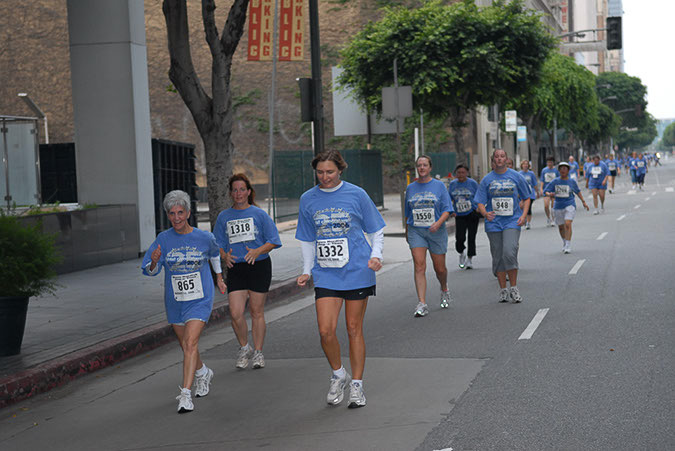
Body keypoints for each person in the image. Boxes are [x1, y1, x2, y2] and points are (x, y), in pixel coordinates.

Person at [296, 150, 385, 409]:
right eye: (320, 172)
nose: (325, 177)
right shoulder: (308, 199)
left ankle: (357, 385)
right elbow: (307, 238)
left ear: (341, 170)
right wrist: (306, 269)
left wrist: (376, 255)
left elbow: (376, 229)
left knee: (353, 328)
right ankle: (338, 374)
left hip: (357, 270)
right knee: (325, 330)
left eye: (330, 172)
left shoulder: (357, 194)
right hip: (326, 273)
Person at [142, 190, 226, 413]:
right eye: (172, 213)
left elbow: (215, 253)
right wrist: (154, 262)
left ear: (188, 213)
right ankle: (203, 372)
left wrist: (219, 277)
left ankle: (185, 395)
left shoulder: (204, 237)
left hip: (200, 299)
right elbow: (149, 270)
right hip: (175, 301)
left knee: (189, 343)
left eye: (180, 212)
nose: (177, 217)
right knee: (186, 345)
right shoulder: (163, 239)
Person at [213, 174, 282, 370]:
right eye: (235, 190)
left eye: (242, 189)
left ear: (249, 192)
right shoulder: (224, 217)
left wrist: (257, 251)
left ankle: (258, 352)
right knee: (235, 313)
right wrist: (224, 256)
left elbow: (274, 240)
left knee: (256, 311)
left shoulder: (259, 214)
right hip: (236, 268)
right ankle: (245, 348)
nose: (238, 193)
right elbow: (216, 244)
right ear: (230, 193)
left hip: (259, 265)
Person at [475, 149, 531, 304]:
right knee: (498, 255)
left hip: (512, 220)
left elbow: (527, 197)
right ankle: (503, 290)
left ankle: (513, 287)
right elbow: (479, 201)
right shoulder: (487, 179)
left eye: (502, 156)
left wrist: (523, 215)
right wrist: (485, 213)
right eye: (497, 157)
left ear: (506, 159)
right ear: (493, 160)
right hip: (494, 222)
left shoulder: (516, 176)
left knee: (509, 251)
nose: (499, 159)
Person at [405, 155, 454, 317]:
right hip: (416, 231)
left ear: (430, 167)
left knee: (440, 269)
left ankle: (444, 288)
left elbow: (447, 209)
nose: (422, 168)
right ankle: (422, 303)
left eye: (425, 165)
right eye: (419, 165)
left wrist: (438, 223)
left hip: (436, 231)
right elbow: (408, 213)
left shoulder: (439, 186)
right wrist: (407, 231)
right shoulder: (411, 188)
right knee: (419, 266)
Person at [544, 162, 589, 253]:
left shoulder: (572, 182)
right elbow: (546, 191)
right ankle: (564, 241)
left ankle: (568, 244)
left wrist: (583, 202)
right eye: (561, 168)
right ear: (559, 170)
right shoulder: (555, 181)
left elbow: (577, 191)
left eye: (565, 168)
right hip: (558, 206)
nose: (563, 170)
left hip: (569, 204)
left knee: (568, 224)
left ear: (568, 170)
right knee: (561, 227)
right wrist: (549, 194)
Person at [448, 164, 480, 270]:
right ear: (456, 174)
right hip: (459, 214)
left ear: (467, 173)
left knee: (472, 236)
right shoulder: (453, 184)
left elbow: (479, 196)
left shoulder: (473, 183)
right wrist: (451, 211)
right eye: (459, 173)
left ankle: (470, 259)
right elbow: (449, 198)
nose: (461, 175)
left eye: (463, 172)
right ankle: (461, 252)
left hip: (472, 213)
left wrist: (477, 207)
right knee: (460, 237)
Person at [539, 157, 560, 227]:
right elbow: (542, 180)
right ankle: (548, 218)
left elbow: (558, 180)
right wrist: (541, 189)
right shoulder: (544, 170)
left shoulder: (556, 170)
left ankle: (553, 219)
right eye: (548, 162)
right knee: (546, 205)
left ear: (553, 162)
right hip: (546, 189)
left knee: (553, 205)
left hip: (554, 190)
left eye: (551, 162)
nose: (549, 163)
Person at [518, 160, 539, 229]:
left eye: (527, 164)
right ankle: (524, 218)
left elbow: (534, 183)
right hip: (522, 193)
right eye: (524, 164)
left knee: (528, 208)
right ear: (522, 165)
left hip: (530, 193)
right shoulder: (519, 174)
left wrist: (537, 192)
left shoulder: (531, 173)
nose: (525, 165)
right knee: (522, 207)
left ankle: (528, 222)